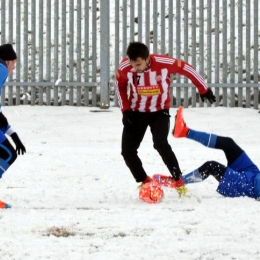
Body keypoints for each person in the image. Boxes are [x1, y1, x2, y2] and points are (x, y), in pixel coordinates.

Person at [115, 42, 216, 197]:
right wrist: (125, 110)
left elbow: (187, 68)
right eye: (132, 64)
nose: (135, 68)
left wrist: (203, 88)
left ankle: (179, 181)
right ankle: (145, 181)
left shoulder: (164, 63)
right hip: (136, 111)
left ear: (147, 58)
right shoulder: (124, 67)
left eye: (139, 64)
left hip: (159, 111)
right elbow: (120, 86)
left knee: (160, 143)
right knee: (127, 151)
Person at [153, 106, 260, 200]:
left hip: (249, 187)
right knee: (228, 144)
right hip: (253, 173)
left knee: (211, 167)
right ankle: (184, 131)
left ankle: (179, 182)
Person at [0, 43, 26, 208]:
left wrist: (14, 135)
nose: (13, 68)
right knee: (8, 154)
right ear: (8, 62)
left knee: (8, 153)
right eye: (14, 63)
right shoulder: (1, 69)